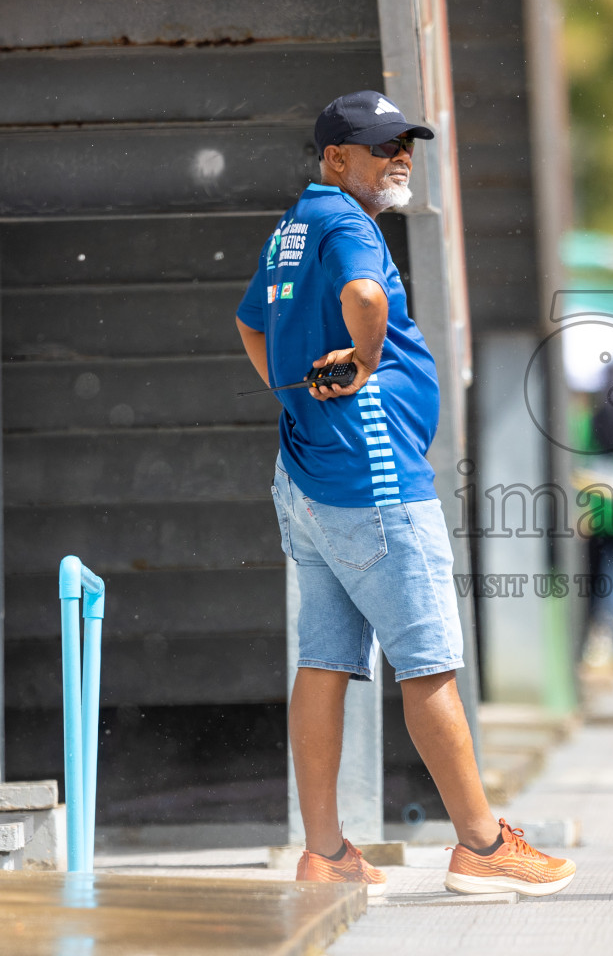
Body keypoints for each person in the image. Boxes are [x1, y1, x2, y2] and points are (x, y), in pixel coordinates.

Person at [236, 90, 574, 896]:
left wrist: (293, 393)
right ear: (334, 160)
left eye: (405, 145)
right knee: (429, 663)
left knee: (323, 660)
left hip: (310, 476)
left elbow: (249, 323)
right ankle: (484, 847)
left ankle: (325, 852)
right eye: (381, 146)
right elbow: (366, 298)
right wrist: (361, 359)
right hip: (373, 479)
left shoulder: (293, 229)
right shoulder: (349, 226)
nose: (400, 159)